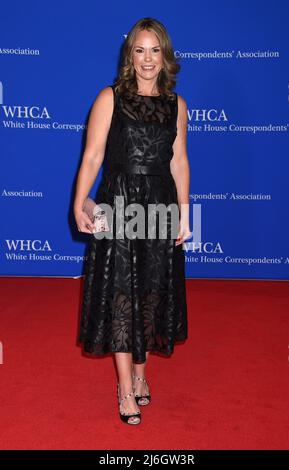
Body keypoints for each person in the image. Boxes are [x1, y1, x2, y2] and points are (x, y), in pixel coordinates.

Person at [74, 17, 191, 426]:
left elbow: (179, 161)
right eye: (139, 50)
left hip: (159, 204)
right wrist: (78, 203)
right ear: (130, 56)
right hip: (117, 201)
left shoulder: (177, 105)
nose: (147, 59)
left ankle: (141, 376)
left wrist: (184, 213)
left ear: (165, 56)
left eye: (154, 50)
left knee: (151, 293)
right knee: (121, 293)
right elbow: (92, 156)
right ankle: (125, 387)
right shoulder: (110, 98)